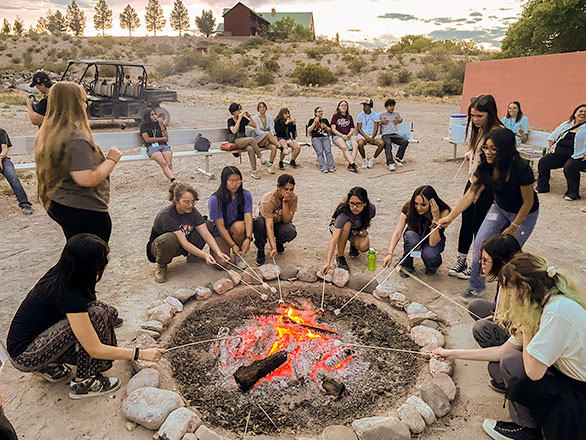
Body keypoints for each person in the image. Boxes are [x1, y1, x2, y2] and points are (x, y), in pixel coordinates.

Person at [432, 253, 586, 440]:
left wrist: (527, 328)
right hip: (565, 376)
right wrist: (451, 354)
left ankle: (528, 430)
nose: (510, 297)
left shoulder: (556, 313)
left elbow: (533, 372)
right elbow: (502, 349)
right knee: (502, 363)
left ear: (525, 289)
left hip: (578, 389)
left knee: (512, 363)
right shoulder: (545, 302)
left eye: (510, 291)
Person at [6, 234, 166, 400]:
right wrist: (139, 353)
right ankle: (83, 383)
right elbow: (94, 348)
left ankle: (51, 365)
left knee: (102, 312)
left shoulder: (65, 273)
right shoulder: (68, 293)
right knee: (96, 314)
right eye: (103, 259)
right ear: (88, 265)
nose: (107, 261)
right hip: (25, 355)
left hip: (36, 340)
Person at [439, 128, 539, 300]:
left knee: (509, 255)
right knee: (480, 244)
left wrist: (513, 226)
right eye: (486, 147)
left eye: (493, 149)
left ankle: (502, 298)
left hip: (524, 214)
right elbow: (471, 193)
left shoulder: (521, 168)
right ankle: (476, 286)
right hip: (499, 209)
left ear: (505, 149)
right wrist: (450, 217)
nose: (487, 152)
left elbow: (528, 202)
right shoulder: (485, 165)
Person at [34, 82, 120, 243]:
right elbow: (86, 178)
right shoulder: (76, 139)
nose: (85, 104)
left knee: (75, 253)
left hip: (60, 201)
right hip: (83, 208)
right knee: (91, 259)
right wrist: (111, 160)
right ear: (75, 104)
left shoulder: (49, 133)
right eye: (82, 100)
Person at [448, 94, 504, 280]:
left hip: (487, 186)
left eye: (479, 116)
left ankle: (477, 263)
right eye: (472, 116)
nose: (475, 120)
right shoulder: (479, 129)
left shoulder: (497, 133)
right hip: (473, 180)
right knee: (466, 222)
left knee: (480, 226)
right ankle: (461, 259)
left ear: (490, 113)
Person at [146, 181, 230, 283]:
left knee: (207, 224)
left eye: (193, 201)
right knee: (169, 238)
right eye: (186, 202)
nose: (190, 205)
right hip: (162, 247)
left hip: (183, 242)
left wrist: (218, 251)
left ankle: (194, 256)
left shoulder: (193, 211)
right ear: (176, 200)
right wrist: (205, 255)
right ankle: (161, 265)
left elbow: (206, 234)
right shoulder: (167, 215)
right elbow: (184, 243)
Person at [468, 234, 521, 383]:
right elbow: (501, 307)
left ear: (500, 262)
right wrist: (497, 316)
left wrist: (450, 353)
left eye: (486, 260)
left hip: (518, 334)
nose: (481, 263)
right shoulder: (504, 276)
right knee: (475, 306)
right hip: (508, 322)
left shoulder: (515, 286)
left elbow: (519, 327)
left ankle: (504, 360)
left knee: (481, 328)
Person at [383, 185, 450, 276]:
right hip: (415, 236)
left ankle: (431, 266)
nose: (418, 208)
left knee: (430, 253)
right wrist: (389, 253)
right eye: (416, 203)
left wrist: (435, 218)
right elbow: (397, 233)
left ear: (432, 203)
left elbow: (433, 243)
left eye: (423, 205)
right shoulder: (409, 207)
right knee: (411, 238)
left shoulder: (443, 211)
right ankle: (406, 264)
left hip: (433, 238)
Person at [536, 104, 586, 201]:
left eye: (585, 112)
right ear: (575, 113)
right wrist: (550, 149)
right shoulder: (567, 124)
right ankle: (542, 187)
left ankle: (572, 193)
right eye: (581, 111)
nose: (583, 113)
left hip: (577, 156)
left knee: (570, 166)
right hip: (559, 155)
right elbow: (552, 137)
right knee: (544, 161)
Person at [321, 187, 375, 273]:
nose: (354, 207)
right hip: (340, 229)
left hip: (355, 229)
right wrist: (328, 262)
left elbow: (367, 219)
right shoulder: (343, 214)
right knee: (347, 224)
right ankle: (340, 256)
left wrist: (363, 229)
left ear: (365, 203)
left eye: (358, 204)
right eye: (352, 203)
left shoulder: (370, 208)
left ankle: (353, 245)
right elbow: (334, 240)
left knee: (364, 246)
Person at [208, 166, 253, 268]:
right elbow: (220, 226)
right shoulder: (215, 200)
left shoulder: (246, 195)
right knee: (221, 264)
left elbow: (248, 217)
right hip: (221, 232)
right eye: (231, 181)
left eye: (238, 181)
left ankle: (238, 254)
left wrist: (248, 237)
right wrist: (232, 245)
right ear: (225, 182)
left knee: (240, 226)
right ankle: (219, 248)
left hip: (235, 229)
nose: (235, 184)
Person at [253, 174, 297, 266]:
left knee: (290, 230)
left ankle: (279, 242)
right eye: (286, 189)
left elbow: (286, 220)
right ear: (278, 187)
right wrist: (272, 247)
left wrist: (285, 202)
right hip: (264, 222)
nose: (288, 192)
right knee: (259, 223)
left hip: (279, 222)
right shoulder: (268, 200)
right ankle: (261, 249)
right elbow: (269, 225)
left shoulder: (293, 198)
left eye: (291, 189)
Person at [227, 103, 272, 180]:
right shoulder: (230, 121)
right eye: (238, 110)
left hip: (243, 139)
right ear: (233, 112)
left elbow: (254, 125)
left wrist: (250, 117)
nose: (240, 111)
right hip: (235, 140)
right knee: (251, 139)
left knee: (251, 149)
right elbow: (234, 131)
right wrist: (239, 119)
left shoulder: (243, 119)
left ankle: (254, 171)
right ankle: (261, 157)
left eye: (240, 110)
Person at [0, 127, 34, 215]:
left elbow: (4, 149)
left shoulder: (1, 132)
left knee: (13, 178)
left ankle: (25, 204)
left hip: (3, 160)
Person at [139, 108, 176, 182]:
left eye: (155, 114)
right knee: (163, 163)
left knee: (169, 164)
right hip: (152, 147)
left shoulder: (159, 124)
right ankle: (173, 180)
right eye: (152, 115)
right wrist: (161, 139)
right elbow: (147, 140)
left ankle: (173, 181)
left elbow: (166, 138)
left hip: (163, 146)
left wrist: (161, 125)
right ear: (147, 117)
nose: (155, 116)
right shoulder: (143, 126)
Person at [379, 98, 409, 172]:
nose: (392, 107)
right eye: (390, 106)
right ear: (386, 107)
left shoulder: (396, 114)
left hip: (394, 134)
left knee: (405, 141)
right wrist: (381, 121)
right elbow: (374, 121)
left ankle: (398, 158)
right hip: (386, 135)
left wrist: (399, 120)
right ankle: (390, 163)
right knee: (388, 144)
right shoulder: (381, 114)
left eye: (393, 106)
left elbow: (401, 119)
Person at [250, 101, 282, 169]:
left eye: (263, 107)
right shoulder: (255, 118)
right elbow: (257, 131)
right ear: (258, 109)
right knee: (269, 134)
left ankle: (270, 164)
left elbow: (272, 129)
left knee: (274, 147)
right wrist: (267, 135)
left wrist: (269, 136)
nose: (262, 109)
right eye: (260, 107)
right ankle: (281, 147)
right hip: (258, 140)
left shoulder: (269, 117)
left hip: (267, 140)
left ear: (266, 108)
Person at [330, 100, 359, 172]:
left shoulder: (349, 117)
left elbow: (352, 129)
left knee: (355, 145)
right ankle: (353, 164)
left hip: (348, 135)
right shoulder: (335, 116)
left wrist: (348, 135)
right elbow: (333, 129)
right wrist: (342, 135)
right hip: (337, 136)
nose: (344, 107)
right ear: (339, 107)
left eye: (345, 105)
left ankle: (351, 164)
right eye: (342, 105)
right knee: (344, 147)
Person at [356, 98, 384, 169]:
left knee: (381, 143)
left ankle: (372, 159)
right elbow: (359, 129)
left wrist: (372, 137)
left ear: (371, 106)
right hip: (363, 135)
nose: (364, 107)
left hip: (373, 135)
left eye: (366, 105)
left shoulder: (375, 115)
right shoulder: (360, 115)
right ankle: (364, 160)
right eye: (363, 105)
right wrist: (365, 136)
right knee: (360, 143)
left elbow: (376, 128)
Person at [307, 106, 335, 173]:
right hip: (316, 138)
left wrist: (325, 127)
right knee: (319, 152)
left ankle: (331, 167)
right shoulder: (311, 120)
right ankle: (323, 167)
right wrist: (314, 123)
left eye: (321, 111)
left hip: (325, 137)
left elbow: (330, 131)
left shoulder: (325, 120)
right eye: (319, 111)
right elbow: (308, 130)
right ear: (315, 113)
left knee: (328, 151)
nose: (320, 113)